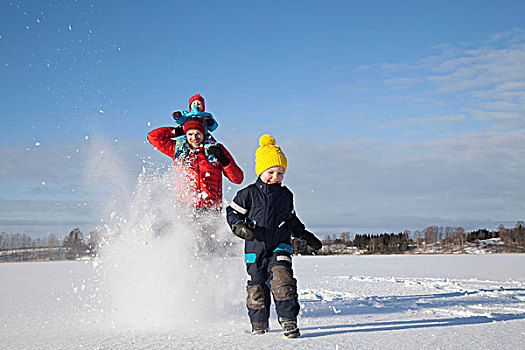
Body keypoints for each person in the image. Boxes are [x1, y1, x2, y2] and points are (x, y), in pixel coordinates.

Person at [226, 134, 322, 338]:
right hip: (255, 247)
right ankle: (258, 324)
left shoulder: (286, 195)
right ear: (261, 170)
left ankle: (288, 321)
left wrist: (304, 235)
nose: (275, 177)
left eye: (280, 173)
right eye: (271, 172)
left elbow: (291, 220)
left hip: (280, 244)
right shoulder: (248, 194)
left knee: (282, 279)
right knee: (256, 286)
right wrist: (238, 227)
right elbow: (232, 213)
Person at [147, 114, 244, 253]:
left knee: (208, 249)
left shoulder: (217, 150)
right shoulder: (177, 150)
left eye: (197, 133)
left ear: (203, 133)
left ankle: (208, 273)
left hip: (210, 208)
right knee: (188, 246)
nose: (194, 137)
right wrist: (176, 131)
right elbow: (152, 137)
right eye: (190, 134)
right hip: (186, 206)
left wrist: (224, 160)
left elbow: (237, 178)